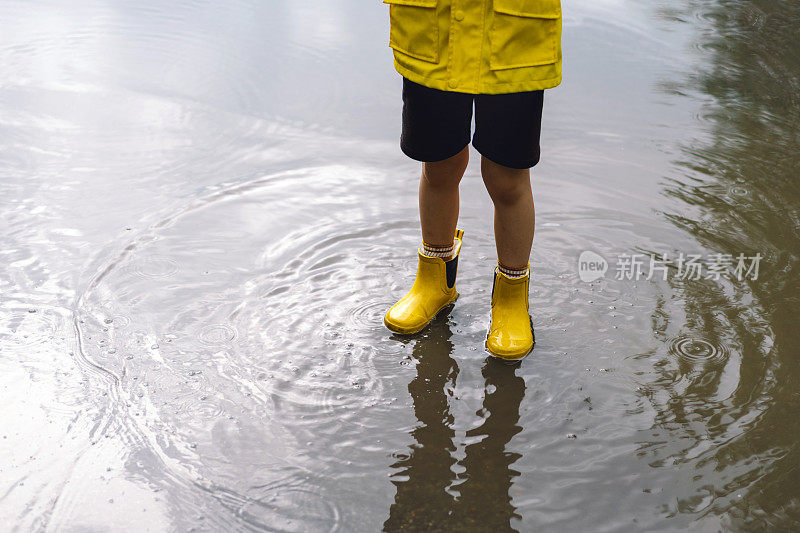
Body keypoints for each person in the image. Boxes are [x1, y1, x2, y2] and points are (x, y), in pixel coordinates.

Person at [382, 0, 562, 361]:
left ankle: (511, 299)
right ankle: (435, 281)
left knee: (507, 175)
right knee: (439, 164)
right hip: (432, 30)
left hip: (515, 34)